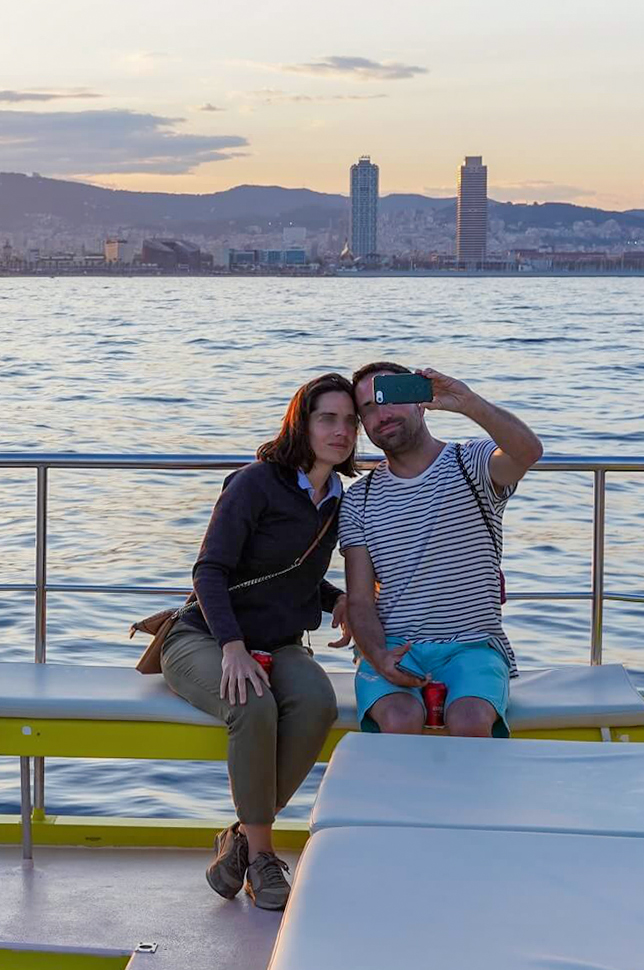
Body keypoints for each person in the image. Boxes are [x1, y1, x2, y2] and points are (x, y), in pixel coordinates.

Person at [161, 373, 356, 911]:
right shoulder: (255, 483)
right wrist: (232, 646)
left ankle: (239, 840)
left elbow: (289, 576)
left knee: (318, 704)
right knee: (252, 701)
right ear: (302, 423)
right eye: (327, 419)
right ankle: (264, 857)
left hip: (281, 641)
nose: (341, 432)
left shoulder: (338, 498)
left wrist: (335, 598)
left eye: (349, 421)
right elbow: (210, 571)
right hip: (204, 636)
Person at [333, 362, 543, 738]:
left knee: (470, 721)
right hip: (395, 645)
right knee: (399, 719)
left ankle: (470, 800)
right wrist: (379, 656)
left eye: (390, 398)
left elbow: (528, 452)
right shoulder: (358, 501)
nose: (381, 415)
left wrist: (466, 401)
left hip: (474, 646)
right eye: (367, 409)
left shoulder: (472, 464)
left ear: (418, 401)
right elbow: (361, 601)